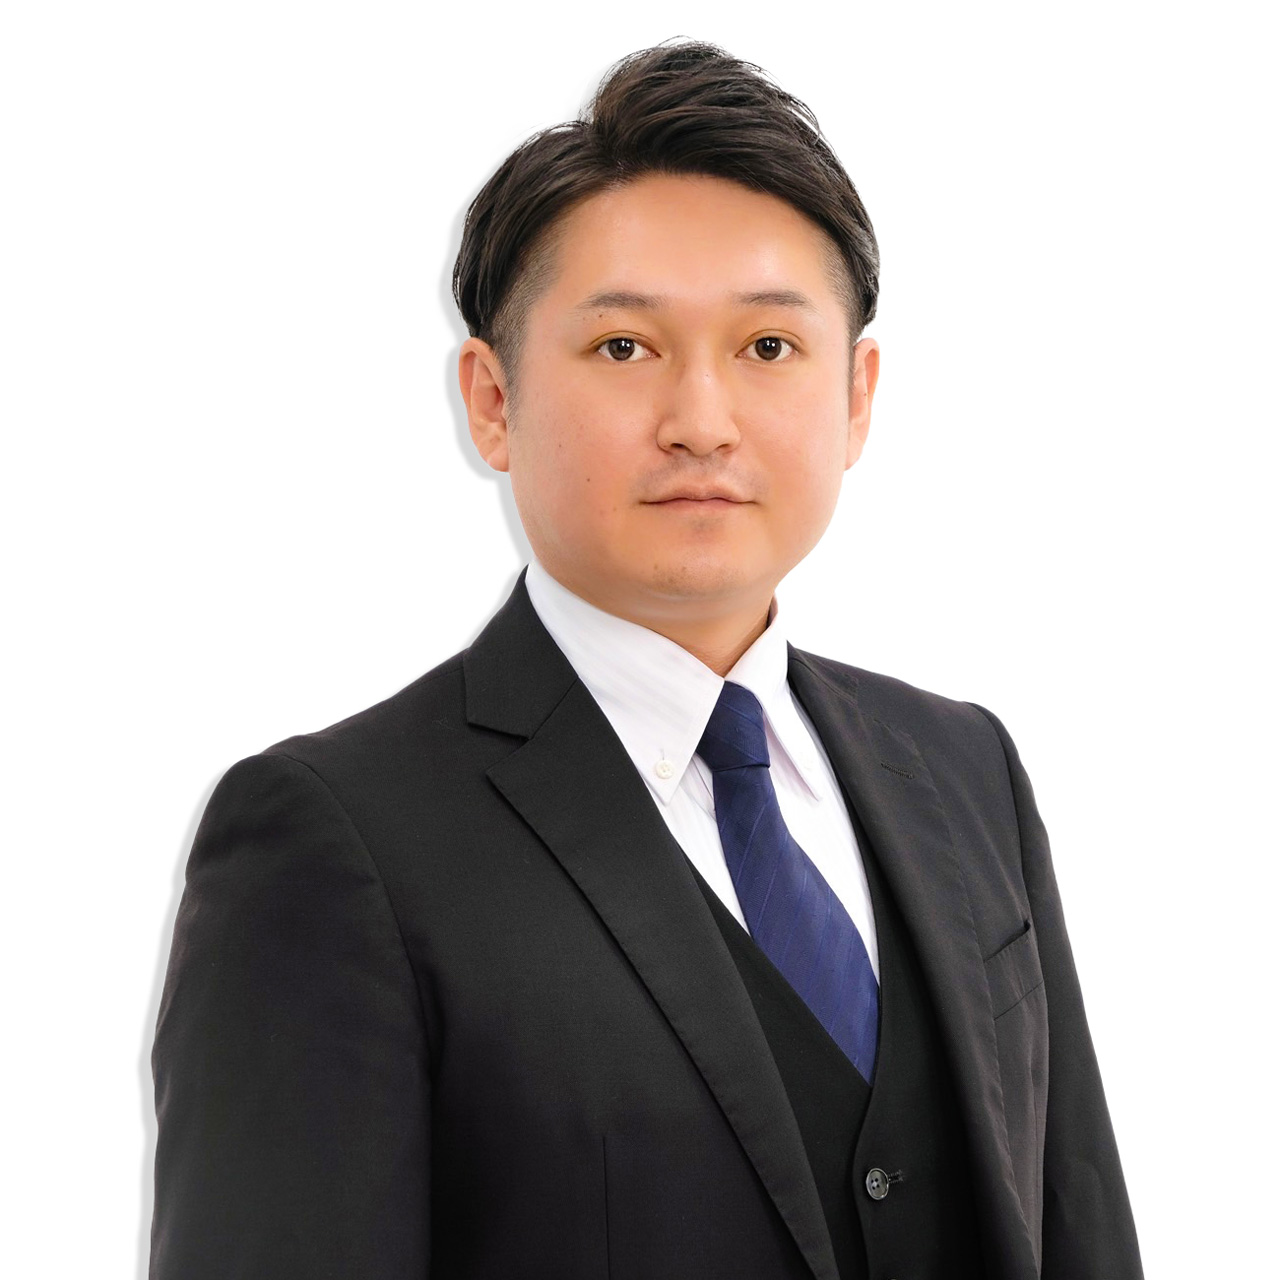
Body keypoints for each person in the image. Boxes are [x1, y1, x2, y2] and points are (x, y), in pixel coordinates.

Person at [149, 40, 1143, 1280]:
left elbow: (1076, 1222)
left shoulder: (962, 767)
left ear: (856, 396)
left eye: (767, 347)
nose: (701, 422)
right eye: (623, 347)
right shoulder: (333, 839)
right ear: (491, 400)